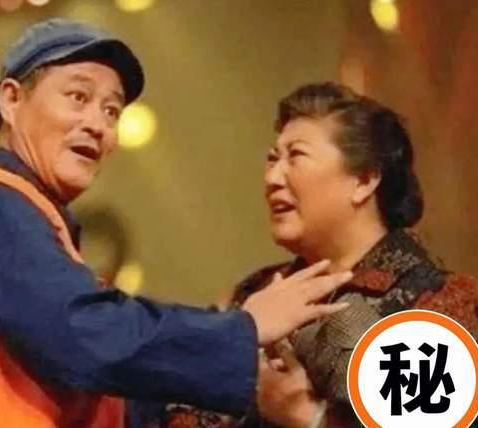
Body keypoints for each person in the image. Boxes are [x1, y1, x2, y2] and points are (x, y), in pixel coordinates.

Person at [0, 20, 352, 428]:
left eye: (111, 110)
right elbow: (87, 336)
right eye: (78, 96)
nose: (98, 124)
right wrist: (242, 329)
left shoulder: (29, 217)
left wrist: (255, 387)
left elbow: (100, 392)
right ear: (12, 101)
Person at [150, 82, 478, 427]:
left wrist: (310, 418)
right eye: (272, 158)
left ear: (364, 180)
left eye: (296, 156)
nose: (273, 177)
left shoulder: (439, 302)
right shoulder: (258, 292)